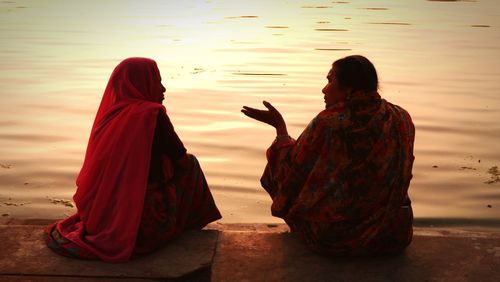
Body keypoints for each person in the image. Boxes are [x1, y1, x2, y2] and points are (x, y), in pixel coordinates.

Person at [45, 57, 221, 262]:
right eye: (157, 82)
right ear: (141, 84)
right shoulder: (151, 115)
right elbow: (180, 159)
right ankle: (187, 225)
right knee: (191, 164)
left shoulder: (111, 116)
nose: (163, 89)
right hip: (144, 229)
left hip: (101, 221)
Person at [242, 55, 415, 256]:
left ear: (349, 88)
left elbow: (290, 175)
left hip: (341, 239)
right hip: (395, 234)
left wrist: (280, 129)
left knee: (281, 158)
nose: (324, 89)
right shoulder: (400, 117)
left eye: (330, 80)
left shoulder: (329, 122)